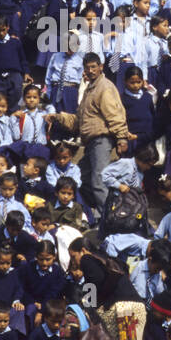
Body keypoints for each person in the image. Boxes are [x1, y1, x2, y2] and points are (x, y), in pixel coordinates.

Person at [48, 53, 129, 220]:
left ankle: (112, 220)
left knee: (99, 181)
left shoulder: (104, 87)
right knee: (82, 179)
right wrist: (58, 117)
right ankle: (98, 214)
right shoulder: (88, 90)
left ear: (101, 67)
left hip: (102, 140)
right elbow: (78, 120)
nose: (91, 71)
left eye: (94, 67)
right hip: (90, 142)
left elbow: (115, 114)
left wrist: (121, 137)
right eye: (87, 68)